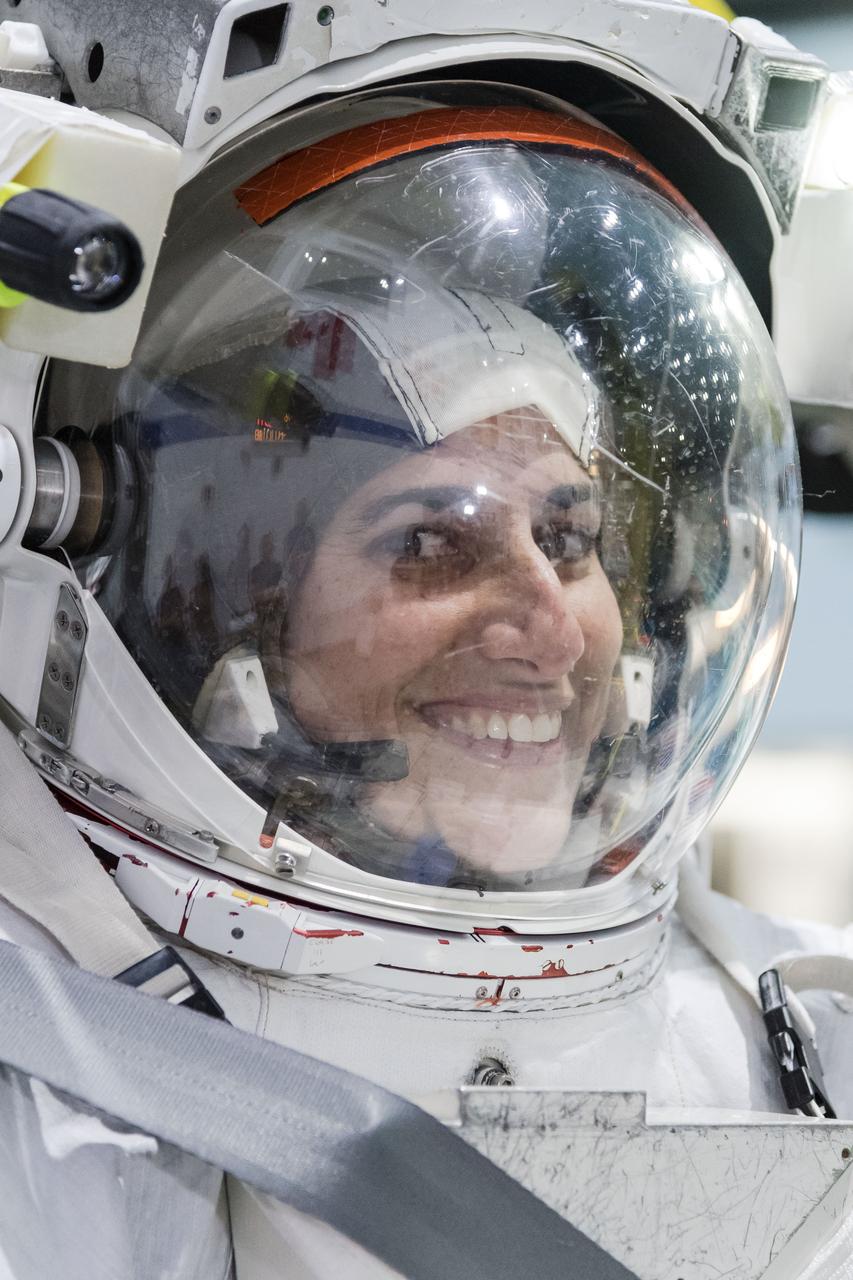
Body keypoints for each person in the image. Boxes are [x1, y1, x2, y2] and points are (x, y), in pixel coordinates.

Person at [1, 14, 853, 1280]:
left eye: (569, 541)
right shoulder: (48, 1080)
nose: (550, 626)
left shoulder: (799, 1045)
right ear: (222, 624)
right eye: (431, 547)